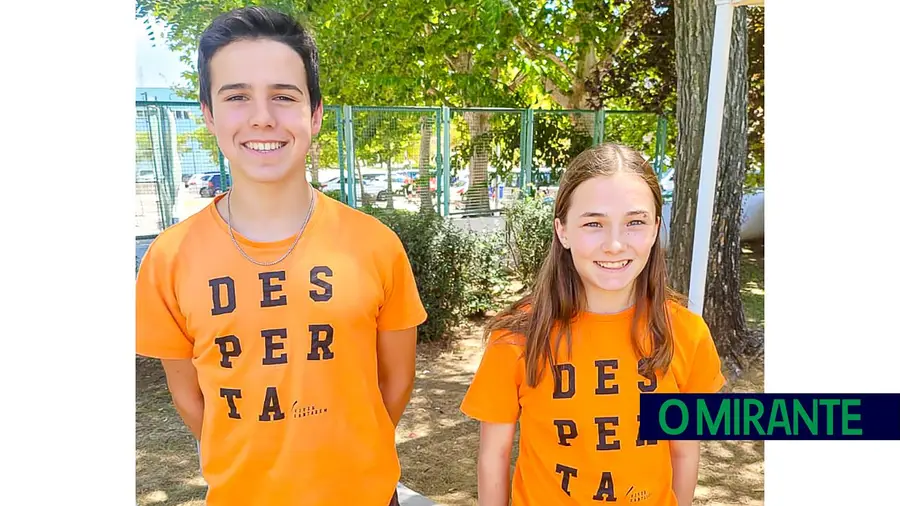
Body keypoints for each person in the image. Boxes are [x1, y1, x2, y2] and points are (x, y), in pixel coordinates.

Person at [135, 7, 427, 506]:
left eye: (283, 96)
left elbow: (395, 383)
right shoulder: (169, 259)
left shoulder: (376, 245)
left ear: (314, 114)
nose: (262, 116)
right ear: (208, 115)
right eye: (237, 96)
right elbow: (191, 400)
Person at [460, 143, 726, 506]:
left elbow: (684, 453)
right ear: (563, 230)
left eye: (635, 222)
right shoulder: (517, 337)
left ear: (655, 229)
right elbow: (494, 456)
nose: (615, 244)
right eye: (593, 223)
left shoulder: (686, 333)